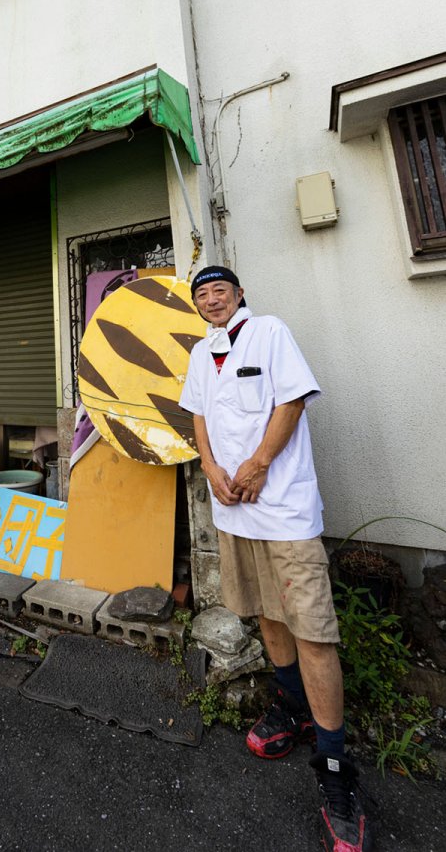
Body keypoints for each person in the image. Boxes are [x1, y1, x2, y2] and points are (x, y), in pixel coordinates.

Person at [179, 265, 371, 852]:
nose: (212, 299)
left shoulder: (268, 332)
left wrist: (259, 463)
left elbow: (291, 402)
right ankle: (293, 707)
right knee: (264, 612)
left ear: (240, 295)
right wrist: (210, 468)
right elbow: (200, 416)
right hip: (233, 511)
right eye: (202, 294)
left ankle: (337, 769)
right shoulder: (200, 350)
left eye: (220, 290)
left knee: (311, 628)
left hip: (282, 509)